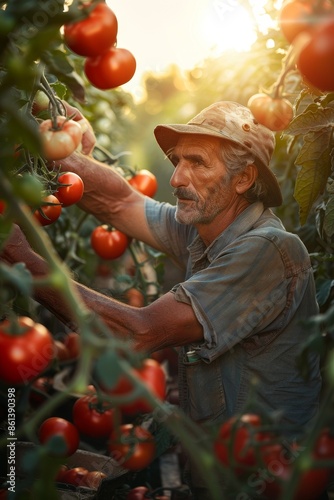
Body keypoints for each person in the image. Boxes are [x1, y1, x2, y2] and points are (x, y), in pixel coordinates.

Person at [1, 101, 322, 498]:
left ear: (244, 179)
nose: (176, 178)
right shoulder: (203, 227)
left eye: (198, 163)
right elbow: (119, 201)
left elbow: (138, 333)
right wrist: (58, 149)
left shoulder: (269, 250)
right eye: (177, 161)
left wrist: (21, 259)